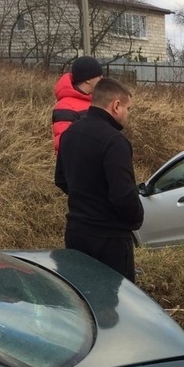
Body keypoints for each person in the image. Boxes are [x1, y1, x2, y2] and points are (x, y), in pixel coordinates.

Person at [55, 77, 144, 283]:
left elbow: (60, 179)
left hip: (76, 233)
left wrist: (86, 196)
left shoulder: (69, 134)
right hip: (109, 240)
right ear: (116, 106)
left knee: (82, 296)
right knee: (115, 305)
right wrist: (136, 218)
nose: (127, 115)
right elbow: (123, 195)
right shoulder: (115, 141)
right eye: (128, 109)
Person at [52, 55, 103, 153]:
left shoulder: (94, 101)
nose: (102, 80)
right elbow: (64, 144)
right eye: (99, 77)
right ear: (88, 79)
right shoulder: (65, 106)